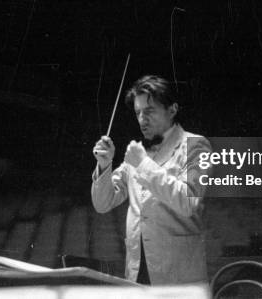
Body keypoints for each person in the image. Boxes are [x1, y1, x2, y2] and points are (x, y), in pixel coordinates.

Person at [91, 75, 212, 285]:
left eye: (149, 111)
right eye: (138, 113)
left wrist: (143, 164)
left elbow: (188, 203)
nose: (141, 119)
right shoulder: (138, 153)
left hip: (180, 278)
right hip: (138, 273)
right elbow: (102, 204)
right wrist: (105, 165)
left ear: (172, 110)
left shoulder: (196, 145)